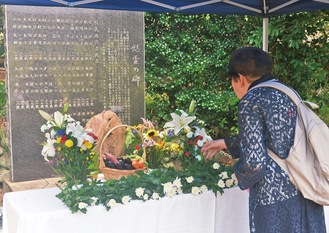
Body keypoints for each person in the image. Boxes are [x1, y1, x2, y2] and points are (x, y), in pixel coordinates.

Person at [201, 47, 326, 233]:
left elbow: (255, 164)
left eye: (231, 81)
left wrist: (236, 174)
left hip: (275, 197)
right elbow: (276, 138)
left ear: (240, 78)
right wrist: (227, 143)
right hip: (306, 186)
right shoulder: (287, 92)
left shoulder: (251, 101)